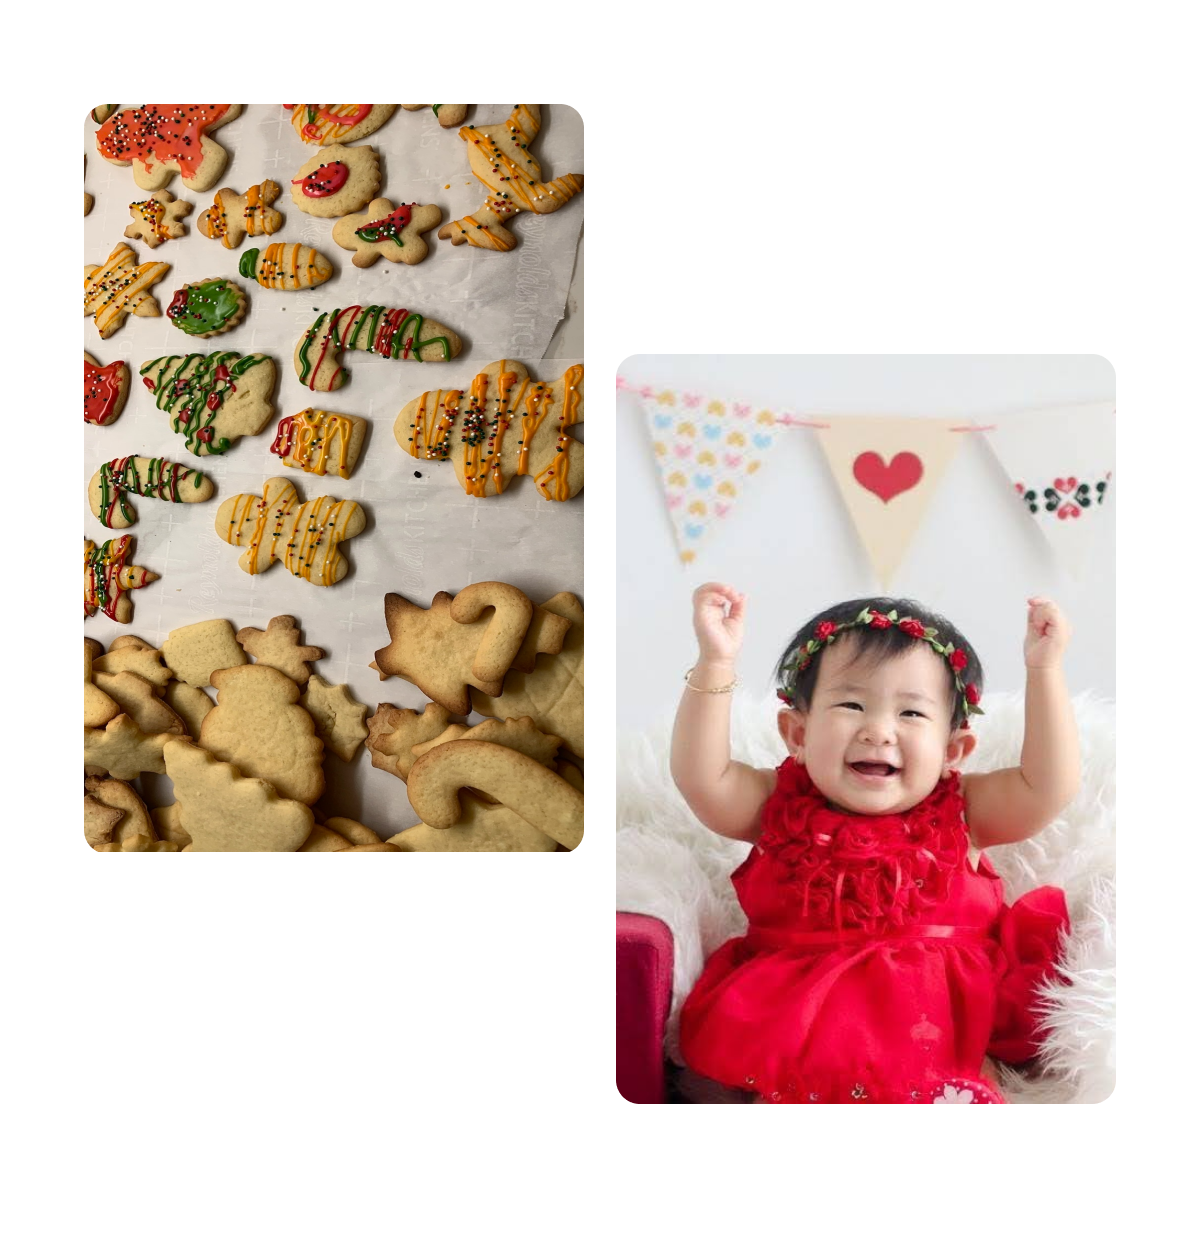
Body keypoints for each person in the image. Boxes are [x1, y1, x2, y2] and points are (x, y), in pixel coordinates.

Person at [672, 586, 1077, 1105]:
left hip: (937, 1039)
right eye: (851, 704)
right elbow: (702, 777)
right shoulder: (774, 805)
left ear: (954, 750)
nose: (879, 730)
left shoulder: (965, 811)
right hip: (796, 1043)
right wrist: (715, 662)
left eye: (911, 714)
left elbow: (1047, 786)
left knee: (963, 1086)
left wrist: (1045, 671)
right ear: (797, 733)